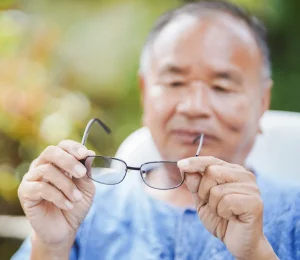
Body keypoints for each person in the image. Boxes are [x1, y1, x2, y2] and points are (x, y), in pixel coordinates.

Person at [12, 1, 300, 259]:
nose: (194, 107)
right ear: (144, 94)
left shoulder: (294, 217)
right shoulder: (77, 205)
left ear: (262, 102)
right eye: (175, 83)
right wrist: (49, 247)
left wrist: (255, 253)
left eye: (222, 86)